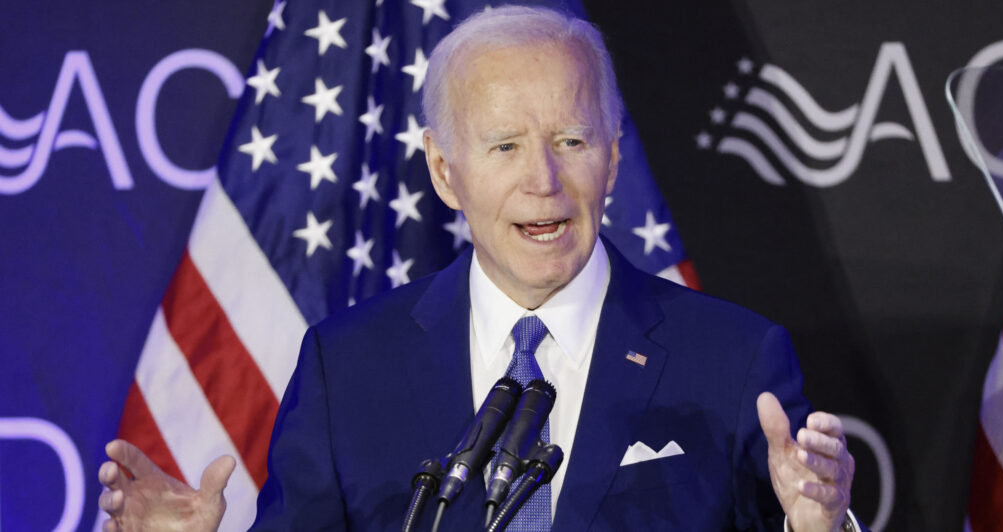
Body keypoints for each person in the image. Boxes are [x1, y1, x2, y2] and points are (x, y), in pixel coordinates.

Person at [98, 5, 859, 531]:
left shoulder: (732, 358)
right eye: (504, 147)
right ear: (444, 170)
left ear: (612, 157)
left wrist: (816, 527)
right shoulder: (349, 367)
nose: (543, 181)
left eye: (571, 141)